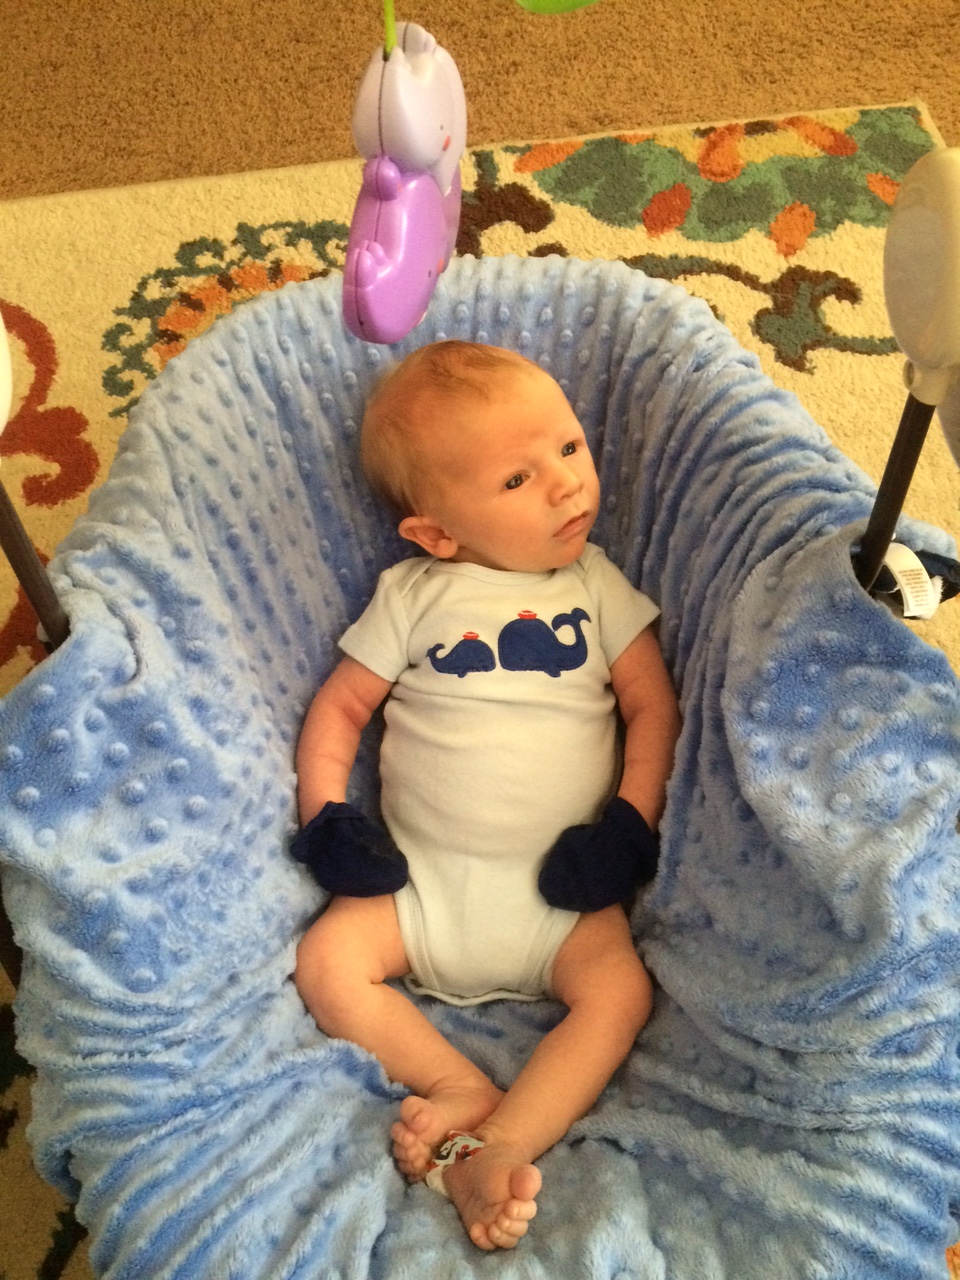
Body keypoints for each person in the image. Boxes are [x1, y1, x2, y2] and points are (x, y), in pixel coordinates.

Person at [292, 341, 681, 1251]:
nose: (566, 484)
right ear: (435, 534)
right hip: (419, 889)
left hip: (562, 896)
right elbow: (340, 710)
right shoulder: (414, 594)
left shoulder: (595, 587)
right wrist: (326, 818)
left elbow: (652, 708)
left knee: (620, 994)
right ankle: (455, 1084)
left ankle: (502, 1140)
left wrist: (628, 826)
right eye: (517, 478)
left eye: (569, 448)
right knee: (327, 962)